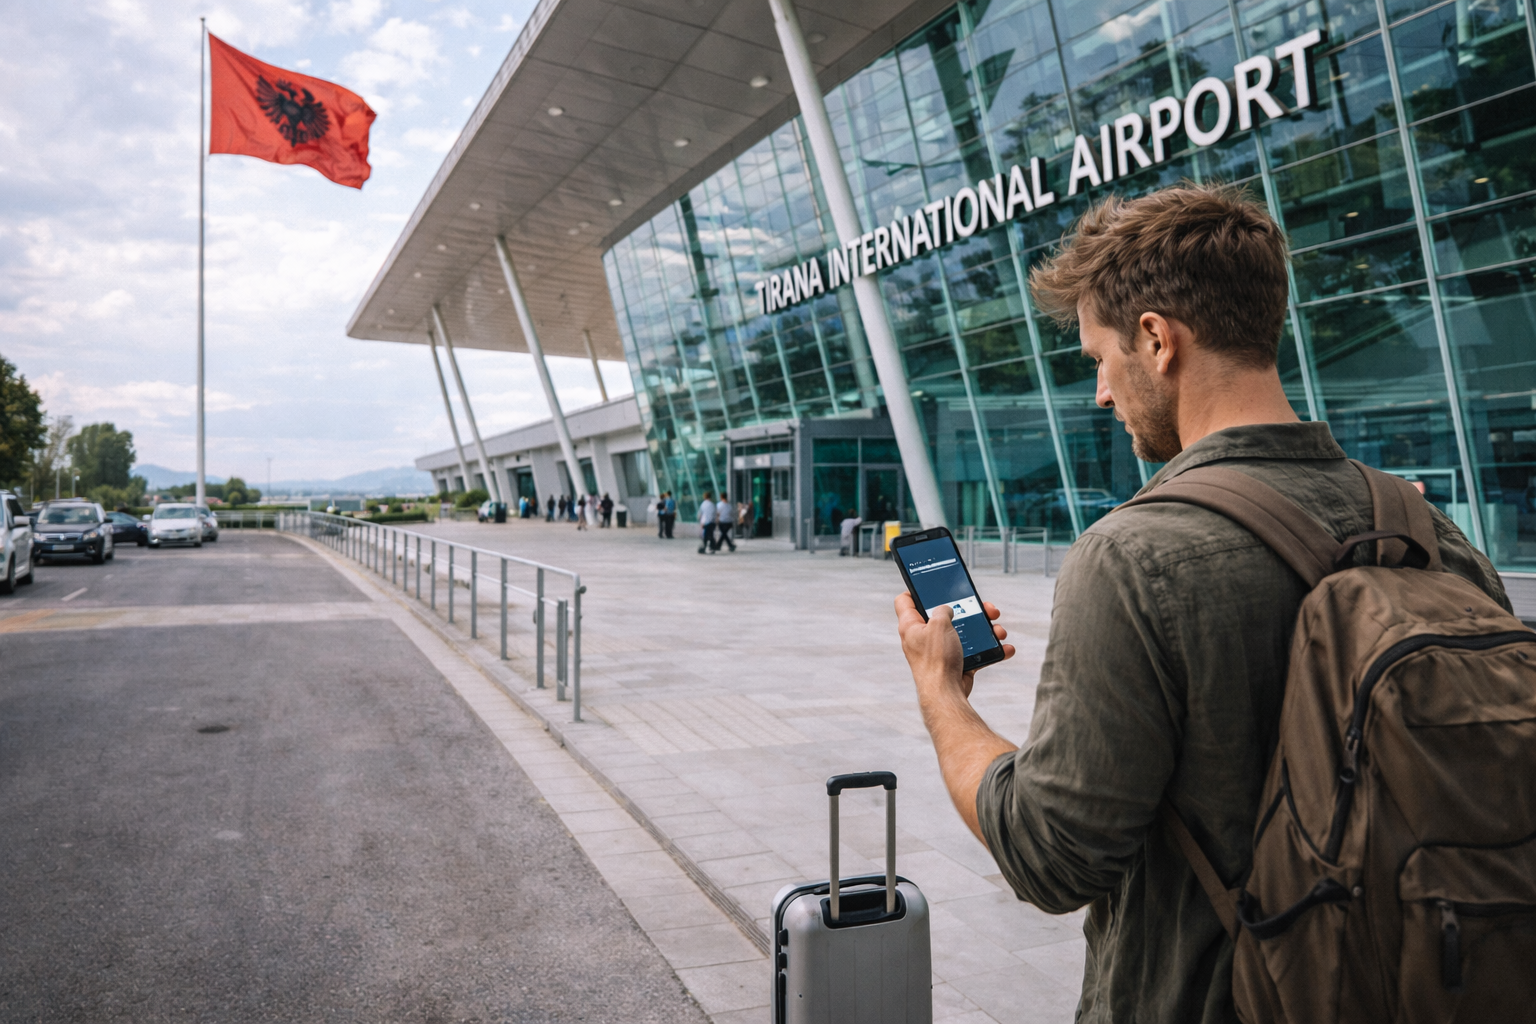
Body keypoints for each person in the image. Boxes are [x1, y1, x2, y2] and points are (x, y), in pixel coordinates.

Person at [893, 182, 1509, 1024]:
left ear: (1156, 340)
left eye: (1099, 359)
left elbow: (1050, 856)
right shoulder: (1423, 526)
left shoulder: (1130, 556)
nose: (1101, 393)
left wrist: (941, 692)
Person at [696, 490, 716, 554]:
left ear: (704, 497)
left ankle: (704, 548)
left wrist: (701, 522)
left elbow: (700, 514)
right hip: (712, 522)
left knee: (706, 536)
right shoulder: (712, 504)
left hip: (706, 523)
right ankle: (712, 548)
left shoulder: (703, 504)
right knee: (710, 535)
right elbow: (714, 514)